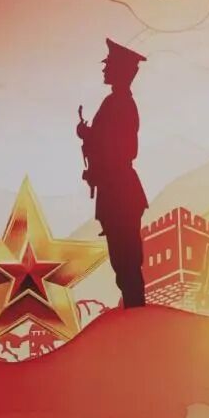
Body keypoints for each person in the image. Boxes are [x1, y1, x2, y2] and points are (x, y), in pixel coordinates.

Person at [77, 38, 149, 308]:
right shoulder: (117, 102)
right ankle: (134, 310)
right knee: (123, 261)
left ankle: (136, 313)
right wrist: (89, 136)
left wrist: (91, 139)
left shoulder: (119, 103)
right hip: (117, 191)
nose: (104, 68)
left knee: (126, 260)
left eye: (109, 64)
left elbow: (124, 149)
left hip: (120, 192)